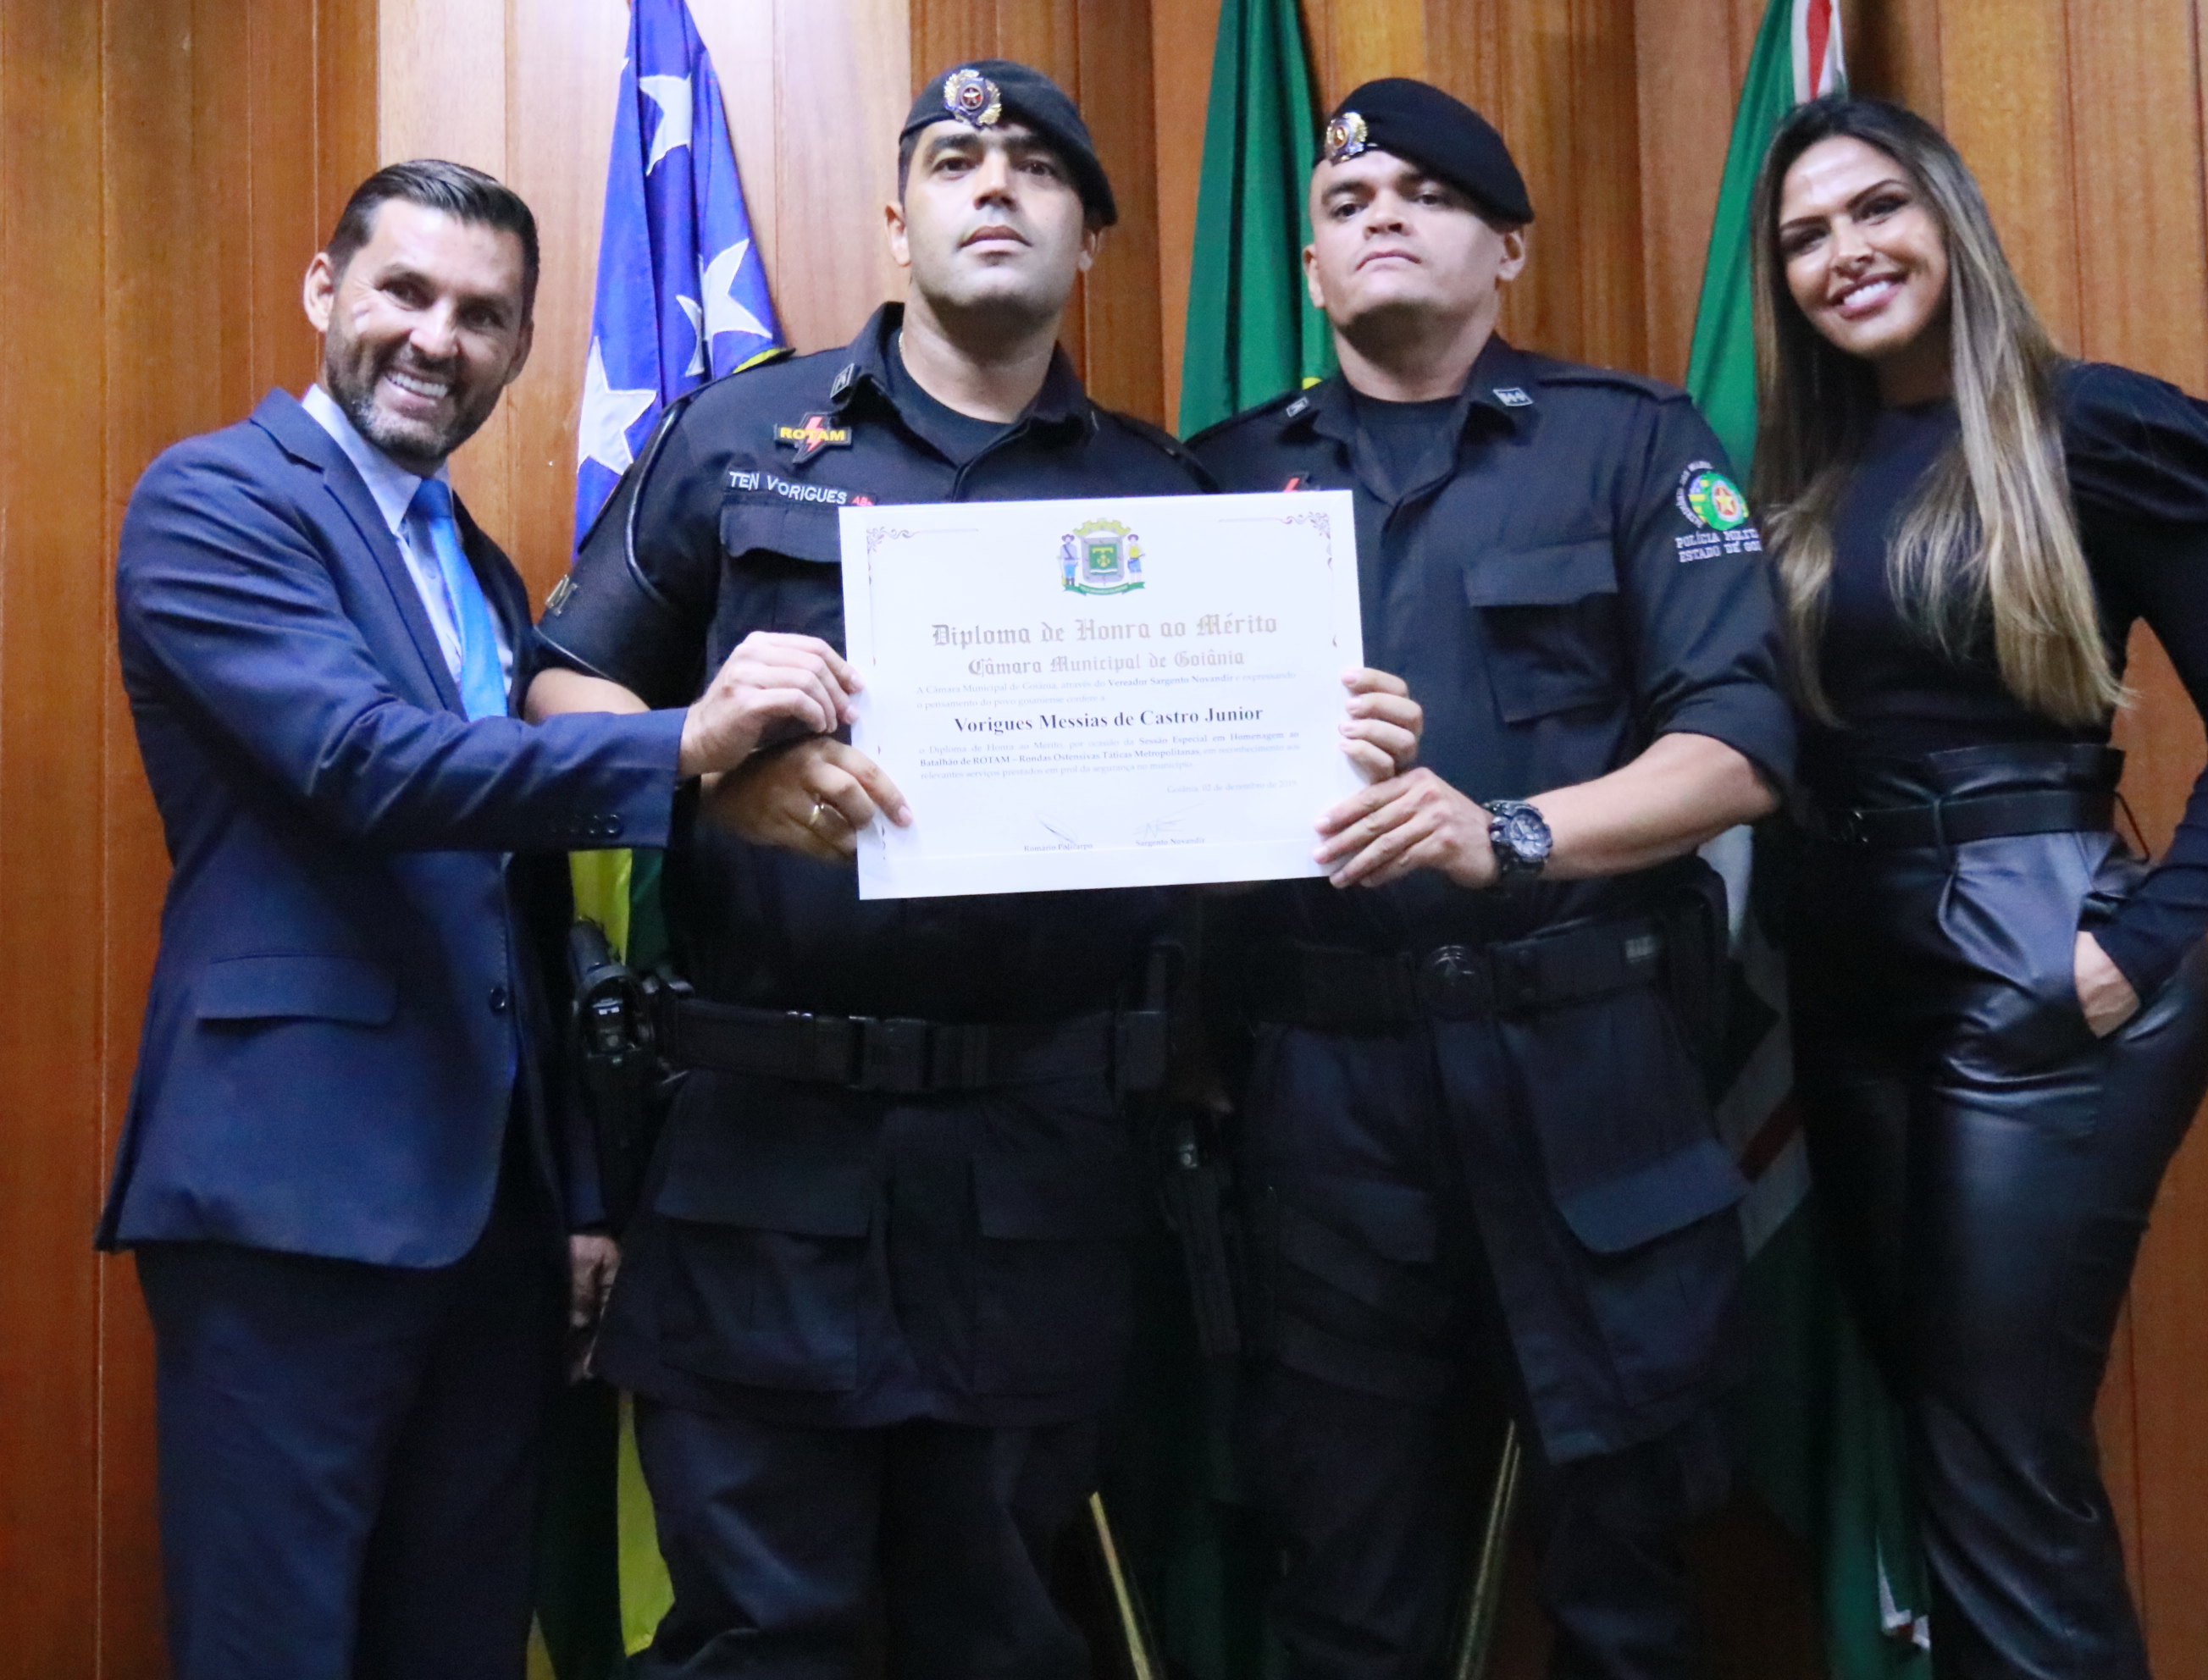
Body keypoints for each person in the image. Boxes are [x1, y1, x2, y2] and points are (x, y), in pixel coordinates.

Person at [528, 62, 1417, 1677]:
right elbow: (561, 692)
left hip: (1042, 1164)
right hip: (761, 1156)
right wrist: (712, 778)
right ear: (897, 221)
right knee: (757, 1642)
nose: (993, 184)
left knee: (1003, 1634)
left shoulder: (1168, 497)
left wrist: (1331, 757)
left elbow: (1241, 817)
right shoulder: (741, 435)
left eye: (1036, 168)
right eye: (953, 160)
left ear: (1091, 239)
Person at [104, 160, 856, 1680]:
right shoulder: (216, 500)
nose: (436, 339)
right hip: (293, 1200)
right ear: (325, 290)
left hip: (492, 1224)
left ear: (518, 351)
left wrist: (573, 1194)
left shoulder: (483, 569)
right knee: (274, 1644)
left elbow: (522, 906)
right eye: (405, 292)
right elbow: (359, 762)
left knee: (456, 1639)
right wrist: (684, 745)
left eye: (483, 315)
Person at [1189, 80, 1794, 1680]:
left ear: (1508, 247)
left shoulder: (1632, 442)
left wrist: (1511, 834)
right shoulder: (1214, 482)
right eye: (1346, 202)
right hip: (1325, 1092)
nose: (1381, 215)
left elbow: (1740, 743)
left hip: (1590, 1069)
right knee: (1347, 1577)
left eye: (1429, 194)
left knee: (1628, 1580)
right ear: (1309, 270)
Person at [1751, 97, 2208, 1677]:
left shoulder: (2094, 430)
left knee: (1999, 1445)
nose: (1847, 252)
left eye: (1878, 209)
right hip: (1851, 983)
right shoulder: (1802, 472)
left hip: (2045, 968)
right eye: (1805, 236)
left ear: (1949, 215)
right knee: (1948, 1423)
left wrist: (2138, 945)